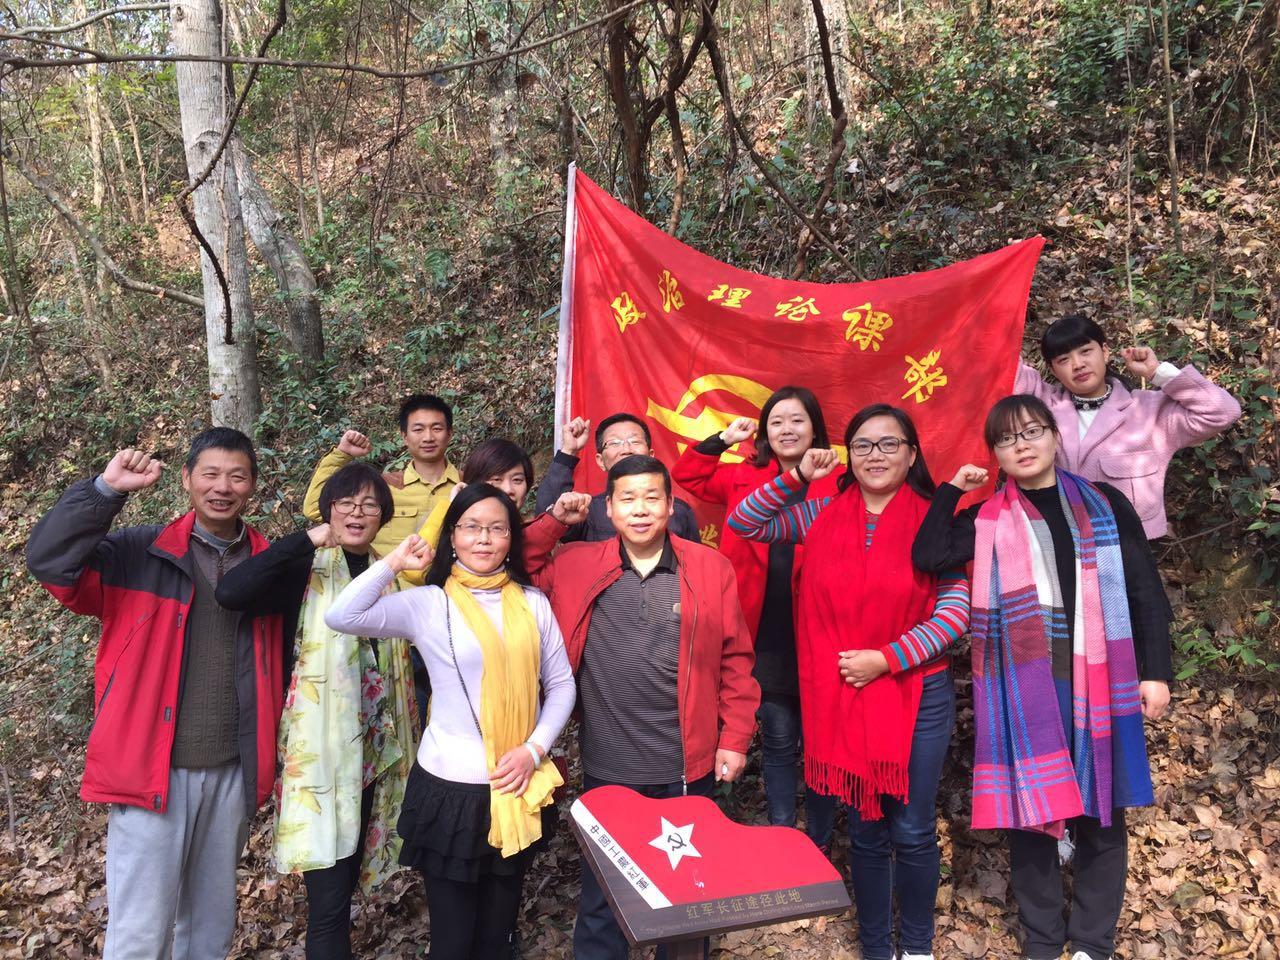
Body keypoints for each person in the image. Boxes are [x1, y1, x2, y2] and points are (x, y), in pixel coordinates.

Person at [912, 394, 1173, 960]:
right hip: (1025, 686)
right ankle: (1043, 940)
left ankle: (1092, 943)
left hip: (1102, 679)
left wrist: (1155, 672)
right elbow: (929, 554)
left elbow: (1144, 589)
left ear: (1055, 436)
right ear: (996, 454)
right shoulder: (986, 519)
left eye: (1032, 432)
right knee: (1031, 814)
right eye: (1006, 439)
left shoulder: (1106, 503)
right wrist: (953, 489)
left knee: (1102, 809)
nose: (1021, 445)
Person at [25, 429, 286, 960]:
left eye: (237, 476)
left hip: (234, 771)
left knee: (209, 931)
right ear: (187, 479)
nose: (223, 487)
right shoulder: (138, 553)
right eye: (210, 474)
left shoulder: (272, 564)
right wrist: (103, 492)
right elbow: (50, 562)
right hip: (150, 772)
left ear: (253, 486)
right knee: (140, 934)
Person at [727, 405, 970, 960]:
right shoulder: (820, 514)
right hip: (844, 694)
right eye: (862, 445)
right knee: (865, 829)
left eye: (889, 444)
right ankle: (876, 947)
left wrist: (887, 659)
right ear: (848, 455)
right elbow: (745, 522)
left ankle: (917, 947)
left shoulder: (938, 518)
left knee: (912, 829)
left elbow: (954, 611)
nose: (875, 456)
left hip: (916, 693)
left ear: (912, 453)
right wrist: (796, 476)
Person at [324, 484, 575, 960]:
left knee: (498, 937)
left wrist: (534, 749)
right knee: (453, 942)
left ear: (511, 538)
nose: (484, 538)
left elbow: (561, 684)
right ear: (453, 536)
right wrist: (394, 562)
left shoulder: (532, 602)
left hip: (518, 787)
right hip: (450, 794)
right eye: (471, 527)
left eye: (497, 528)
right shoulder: (429, 604)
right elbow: (342, 614)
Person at [525, 457, 760, 960]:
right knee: (605, 898)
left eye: (652, 497)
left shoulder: (709, 568)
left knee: (686, 898)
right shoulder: (575, 563)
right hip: (609, 766)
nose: (640, 509)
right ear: (607, 508)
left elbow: (736, 658)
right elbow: (513, 560)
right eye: (627, 498)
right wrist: (554, 522)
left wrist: (735, 737)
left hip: (686, 765)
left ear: (670, 505)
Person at [214, 462, 418, 960]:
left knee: (344, 894)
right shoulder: (303, 569)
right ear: (328, 511)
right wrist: (306, 540)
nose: (357, 513)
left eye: (369, 505)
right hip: (320, 760)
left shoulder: (389, 576)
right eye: (346, 503)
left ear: (383, 516)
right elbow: (231, 592)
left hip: (378, 758)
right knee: (328, 904)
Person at [671, 386, 839, 829]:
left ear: (815, 429)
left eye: (797, 420)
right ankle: (783, 833)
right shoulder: (744, 475)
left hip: (821, 630)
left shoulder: (841, 481)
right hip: (761, 629)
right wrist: (724, 439)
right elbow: (687, 475)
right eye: (777, 422)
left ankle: (820, 839)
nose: (787, 429)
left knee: (822, 746)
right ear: (765, 431)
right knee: (779, 741)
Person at [1015, 314, 1240, 538]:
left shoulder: (1149, 411)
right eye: (1063, 359)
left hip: (1130, 546)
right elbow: (1003, 362)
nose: (1078, 364)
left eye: (1086, 351)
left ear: (1105, 351)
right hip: (1059, 542)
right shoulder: (1042, 405)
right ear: (1052, 370)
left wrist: (1156, 371)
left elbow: (1222, 411)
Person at [303, 394, 461, 557]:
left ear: (449, 434)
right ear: (405, 437)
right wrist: (342, 454)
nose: (428, 437)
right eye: (418, 430)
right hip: (390, 574)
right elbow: (314, 508)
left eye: (437, 429)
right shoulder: (382, 487)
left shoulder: (467, 484)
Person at [534, 412, 700, 542]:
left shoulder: (679, 511)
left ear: (651, 455)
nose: (626, 449)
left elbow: (694, 564)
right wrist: (569, 450)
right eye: (614, 443)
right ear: (600, 461)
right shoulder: (588, 512)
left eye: (635, 441)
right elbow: (548, 518)